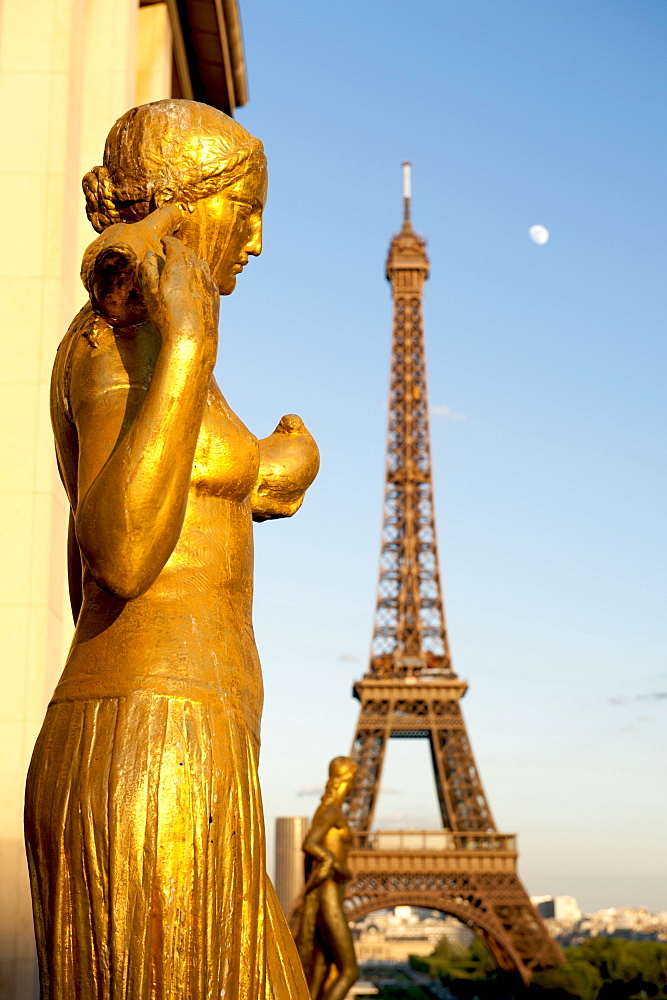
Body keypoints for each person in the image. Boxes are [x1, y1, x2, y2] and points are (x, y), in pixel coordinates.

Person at [24, 99, 318, 1000]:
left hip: (197, 742)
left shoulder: (144, 336)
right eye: (248, 208)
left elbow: (182, 482)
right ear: (191, 204)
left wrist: (270, 467)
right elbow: (119, 548)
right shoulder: (123, 338)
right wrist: (191, 343)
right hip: (150, 747)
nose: (258, 241)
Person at [292, 757, 360, 1000]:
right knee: (350, 971)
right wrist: (340, 867)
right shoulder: (331, 811)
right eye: (352, 780)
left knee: (321, 968)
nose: (354, 786)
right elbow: (309, 843)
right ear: (343, 781)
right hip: (328, 896)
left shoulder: (331, 809)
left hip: (329, 895)